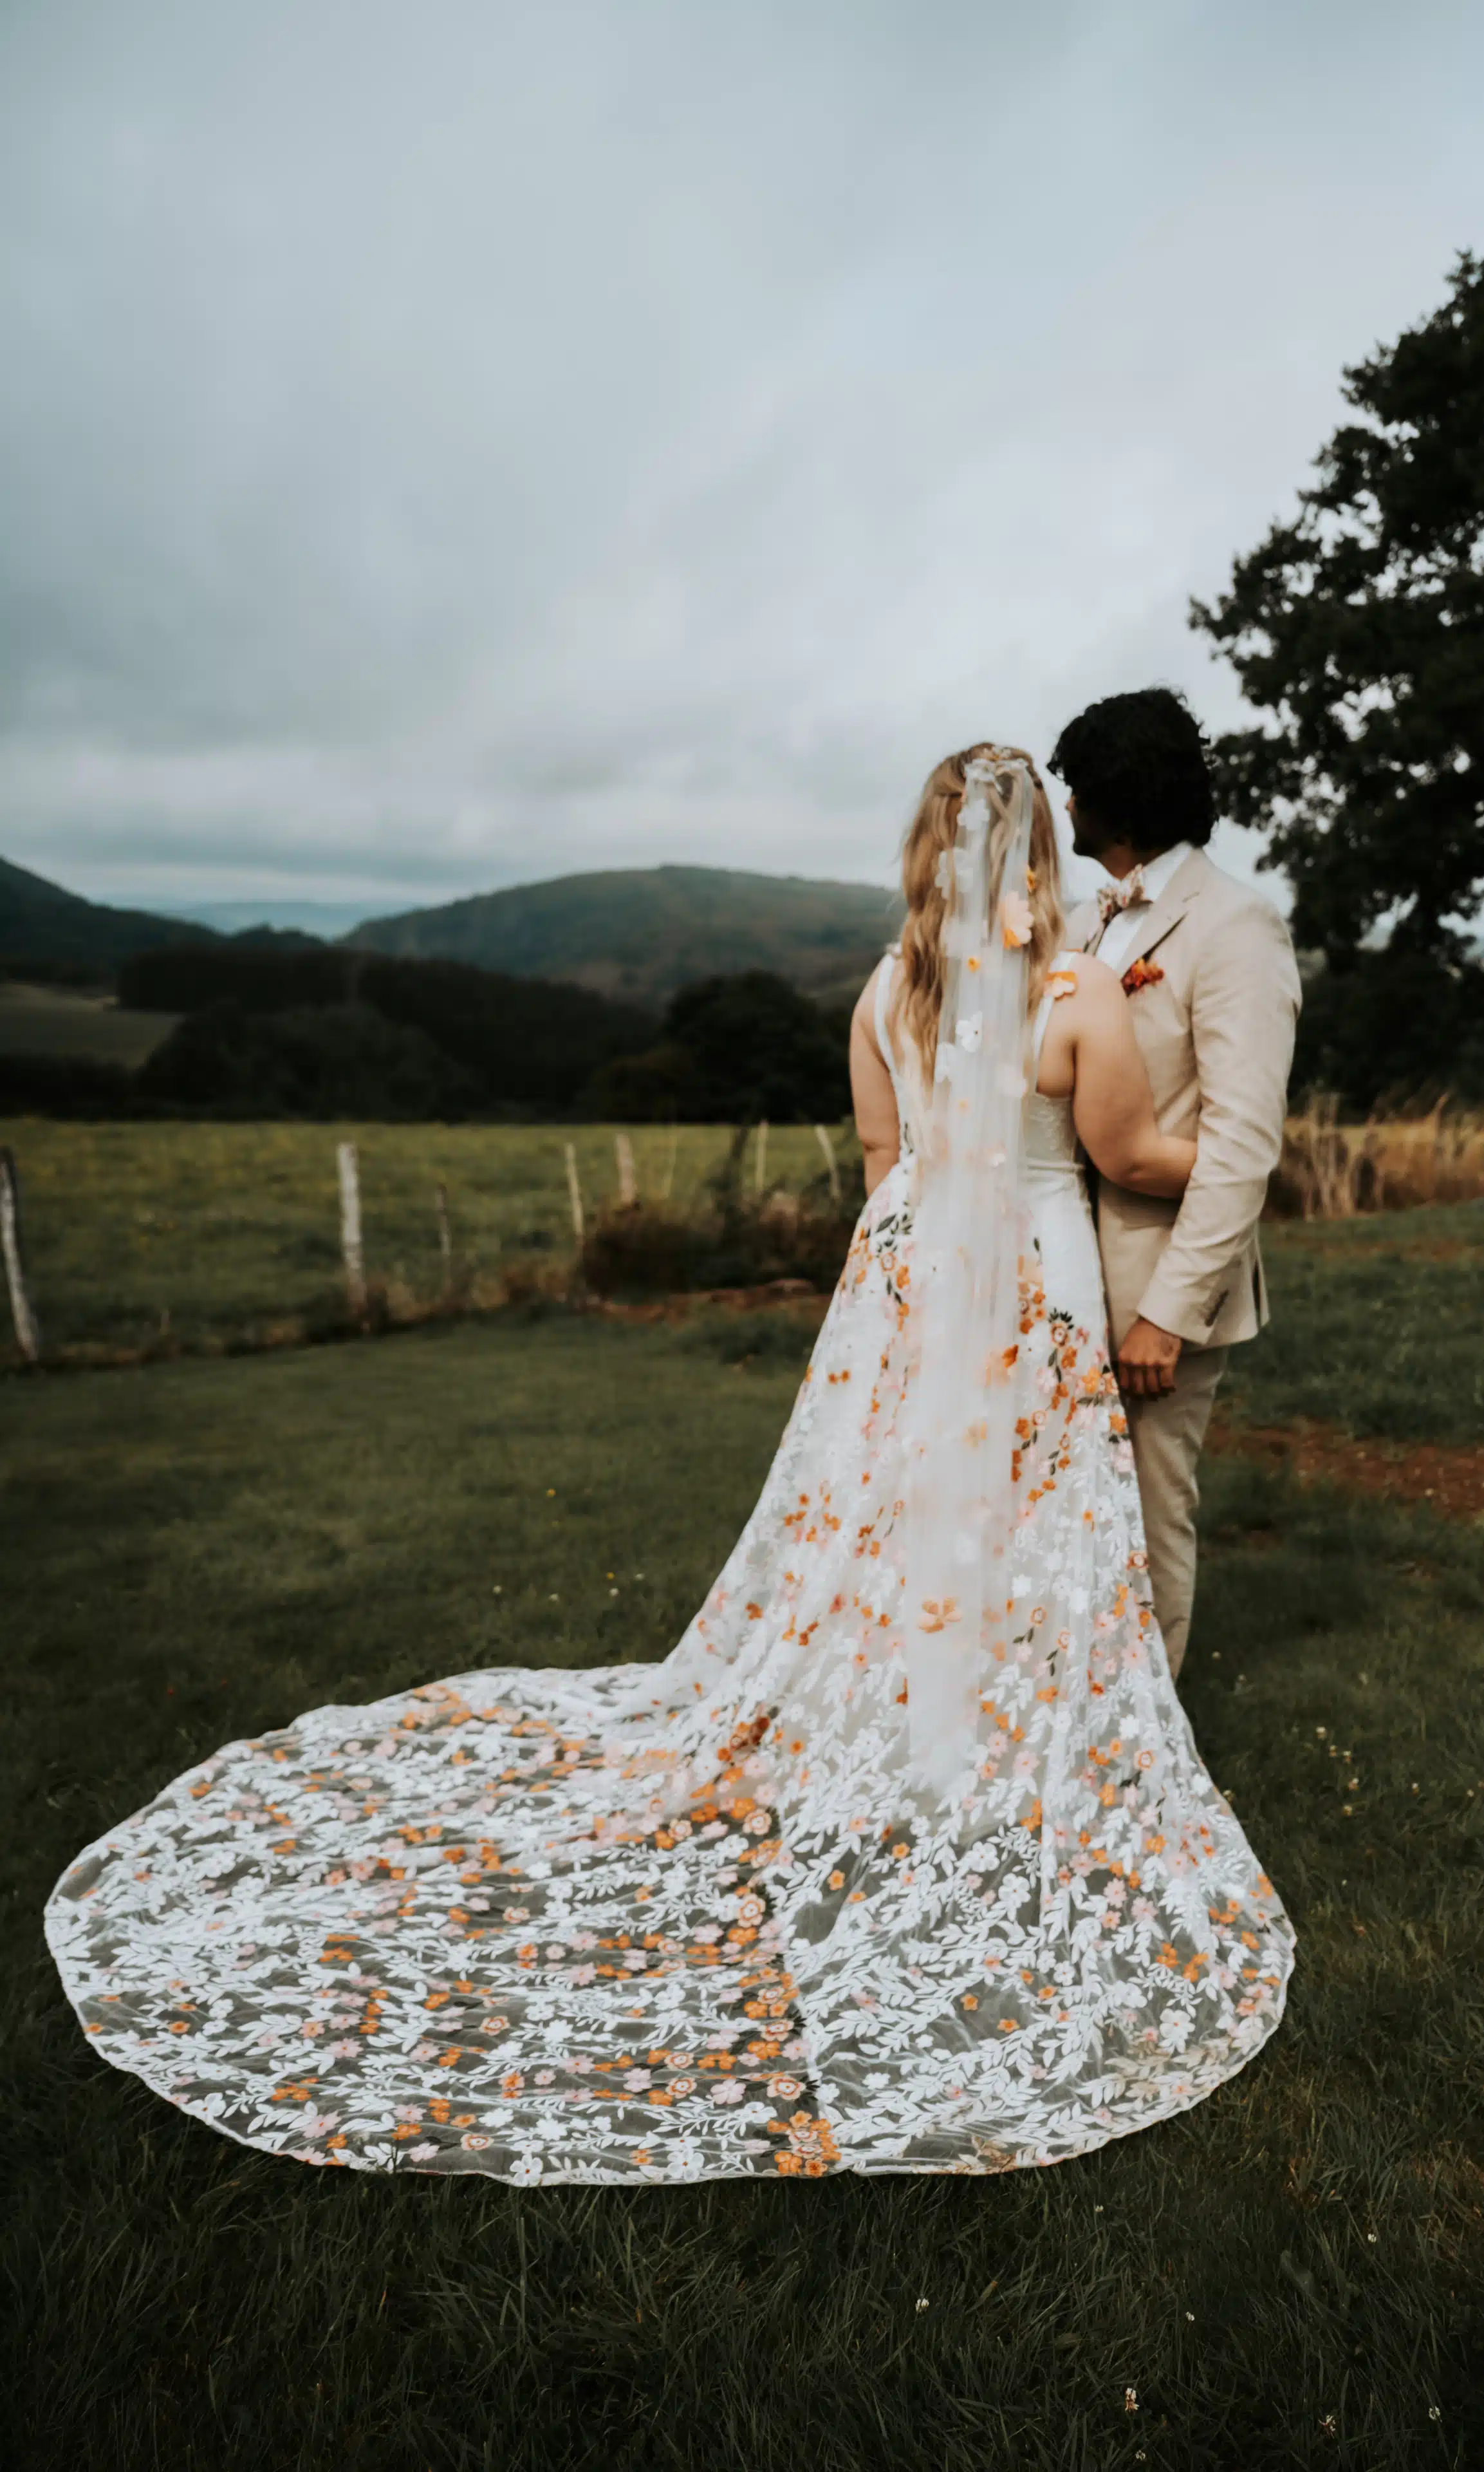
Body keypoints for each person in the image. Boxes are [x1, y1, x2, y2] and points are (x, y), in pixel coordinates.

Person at [44, 744, 1293, 2185]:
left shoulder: (883, 993)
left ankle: (914, 1751)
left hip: (899, 1291)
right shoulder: (1072, 998)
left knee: (889, 1533)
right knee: (1027, 1536)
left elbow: (881, 1168)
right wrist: (1236, 1151)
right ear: (1030, 863)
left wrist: (905, 1292)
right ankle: (1004, 1769)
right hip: (1031, 1287)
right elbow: (1125, 1155)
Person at [1053, 690, 1301, 1680]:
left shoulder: (1237, 927)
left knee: (1148, 1524)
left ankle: (1148, 1752)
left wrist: (1168, 1315)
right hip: (1060, 1272)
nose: (1065, 806)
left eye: (1076, 786)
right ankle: (1071, 1722)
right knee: (1067, 1518)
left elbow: (1241, 1143)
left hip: (1154, 1283)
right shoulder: (1082, 921)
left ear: (1112, 797)